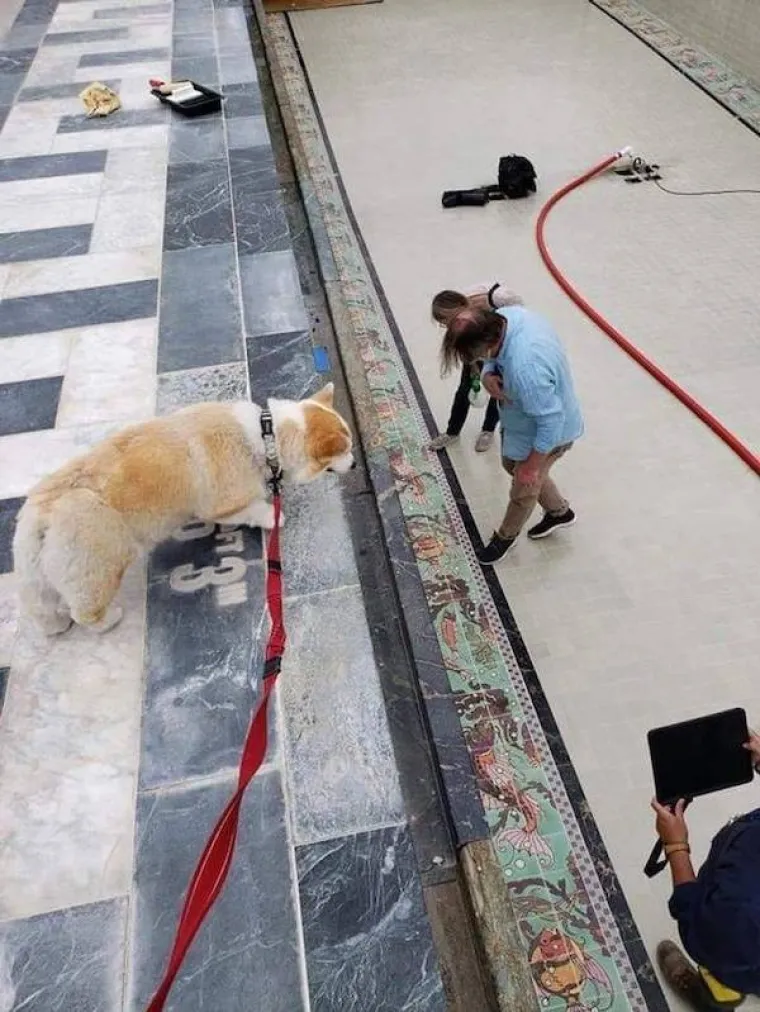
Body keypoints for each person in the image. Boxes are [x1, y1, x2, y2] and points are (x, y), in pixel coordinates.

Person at [440, 304, 583, 564]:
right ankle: (559, 512)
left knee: (523, 487)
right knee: (511, 465)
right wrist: (487, 373)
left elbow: (551, 421)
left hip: (550, 433)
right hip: (522, 420)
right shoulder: (507, 317)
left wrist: (532, 465)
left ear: (486, 345)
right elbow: (493, 356)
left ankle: (505, 537)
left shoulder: (526, 368)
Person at [652, 731, 760, 1010]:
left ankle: (717, 998)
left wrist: (675, 845)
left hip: (735, 951)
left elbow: (694, 920)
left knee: (726, 967)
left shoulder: (739, 907)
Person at [427, 284, 523, 454]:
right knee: (464, 390)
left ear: (457, 310)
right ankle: (452, 432)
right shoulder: (460, 323)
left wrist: (491, 366)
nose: (448, 327)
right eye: (443, 324)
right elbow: (464, 346)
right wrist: (473, 366)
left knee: (496, 391)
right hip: (475, 351)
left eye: (447, 321)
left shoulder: (488, 303)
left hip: (498, 352)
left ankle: (488, 430)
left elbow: (517, 312)